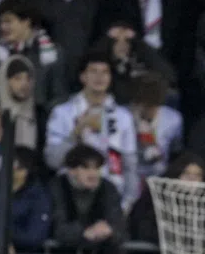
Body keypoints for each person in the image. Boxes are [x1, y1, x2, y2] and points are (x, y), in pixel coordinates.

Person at [44, 52, 139, 211]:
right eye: (93, 71)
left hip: (111, 195)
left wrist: (128, 202)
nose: (99, 77)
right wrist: (76, 132)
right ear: (83, 77)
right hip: (72, 195)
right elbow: (52, 161)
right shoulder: (62, 113)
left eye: (105, 72)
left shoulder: (123, 117)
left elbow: (130, 165)